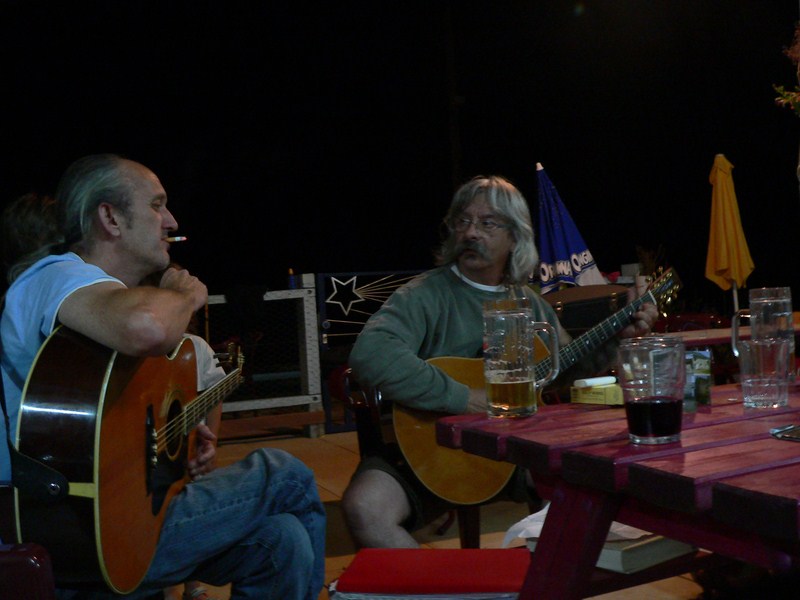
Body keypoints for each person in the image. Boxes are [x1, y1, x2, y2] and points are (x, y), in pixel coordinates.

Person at [0, 154, 326, 599]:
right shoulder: (57, 275)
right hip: (72, 533)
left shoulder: (102, 301)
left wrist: (174, 448)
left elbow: (92, 420)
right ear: (110, 218)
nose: (171, 221)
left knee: (282, 541)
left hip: (110, 523)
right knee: (286, 474)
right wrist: (183, 296)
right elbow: (148, 327)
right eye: (156, 205)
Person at [340, 174, 659, 549]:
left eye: (487, 223)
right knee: (365, 509)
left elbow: (559, 370)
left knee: (593, 483)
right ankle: (443, 586)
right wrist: (465, 398)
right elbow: (371, 355)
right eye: (463, 221)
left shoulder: (529, 302)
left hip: (514, 449)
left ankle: (542, 577)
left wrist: (618, 338)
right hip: (434, 452)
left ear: (514, 237)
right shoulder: (424, 295)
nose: (471, 232)